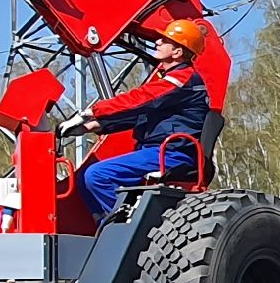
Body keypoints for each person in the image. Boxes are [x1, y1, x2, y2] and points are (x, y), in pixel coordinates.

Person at [68, 19, 214, 217]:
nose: (157, 42)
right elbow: (141, 114)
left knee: (97, 175)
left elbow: (139, 99)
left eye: (165, 40)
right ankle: (105, 225)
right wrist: (94, 126)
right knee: (82, 179)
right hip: (157, 151)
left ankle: (123, 223)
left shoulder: (181, 79)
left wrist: (90, 112)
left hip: (172, 154)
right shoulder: (173, 81)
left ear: (177, 52)